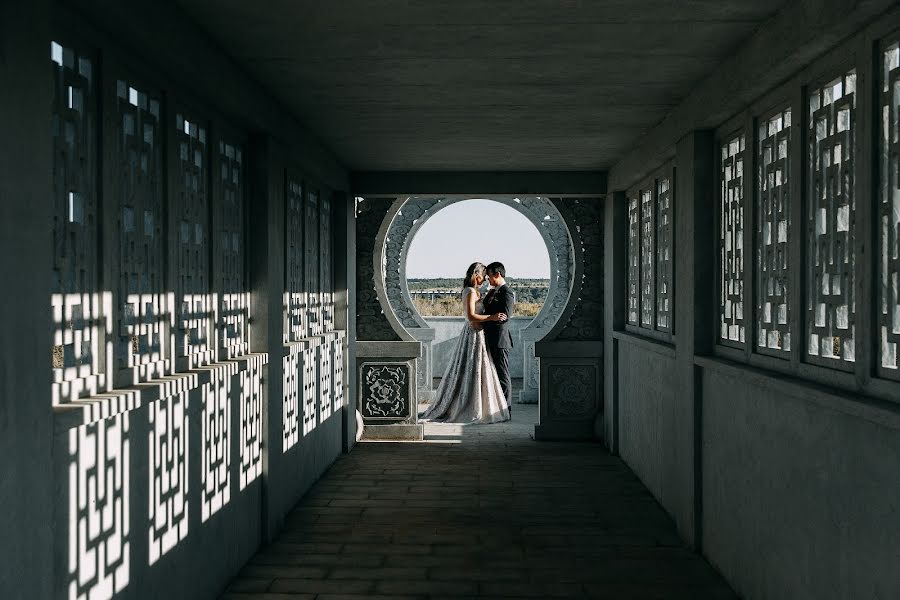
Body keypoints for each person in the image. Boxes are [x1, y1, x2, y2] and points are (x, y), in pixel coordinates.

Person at [420, 262, 511, 423]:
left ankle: (485, 406)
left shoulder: (479, 292)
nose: (485, 279)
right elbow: (470, 316)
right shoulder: (470, 291)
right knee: (471, 370)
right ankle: (466, 405)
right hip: (473, 335)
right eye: (484, 275)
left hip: (481, 336)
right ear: (477, 275)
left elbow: (502, 314)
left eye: (488, 276)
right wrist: (491, 317)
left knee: (479, 372)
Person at [481, 262, 515, 412]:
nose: (488, 280)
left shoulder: (506, 292)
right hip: (490, 338)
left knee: (502, 375)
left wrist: (490, 318)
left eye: (489, 277)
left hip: (500, 340)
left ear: (497, 274)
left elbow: (504, 316)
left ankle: (506, 409)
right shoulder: (493, 292)